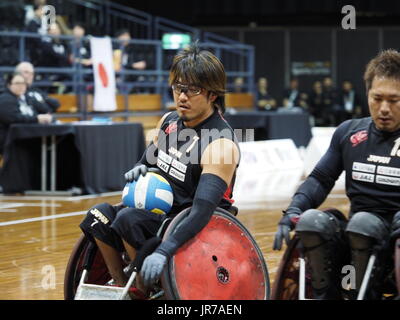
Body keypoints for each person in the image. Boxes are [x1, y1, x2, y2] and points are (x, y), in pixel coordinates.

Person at [79, 43, 240, 298]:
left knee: (128, 219)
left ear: (212, 94)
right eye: (178, 87)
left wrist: (165, 250)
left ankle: (145, 288)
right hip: (157, 210)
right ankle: (122, 285)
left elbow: (201, 212)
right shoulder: (168, 121)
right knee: (98, 215)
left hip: (190, 217)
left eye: (192, 89)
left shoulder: (220, 144)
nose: (182, 96)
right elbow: (148, 161)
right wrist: (138, 168)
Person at [273, 49, 400, 300]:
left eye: (394, 100)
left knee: (364, 222)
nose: (384, 108)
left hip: (396, 241)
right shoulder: (349, 133)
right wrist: (293, 212)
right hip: (358, 238)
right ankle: (325, 294)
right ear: (367, 94)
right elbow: (320, 179)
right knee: (311, 221)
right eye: (377, 98)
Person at [0, 73, 53, 154]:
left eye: (23, 83)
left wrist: (45, 116)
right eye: (17, 83)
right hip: (9, 140)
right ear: (9, 85)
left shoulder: (27, 98)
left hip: (27, 137)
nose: (21, 86)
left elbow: (47, 109)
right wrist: (37, 119)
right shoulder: (4, 99)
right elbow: (13, 118)